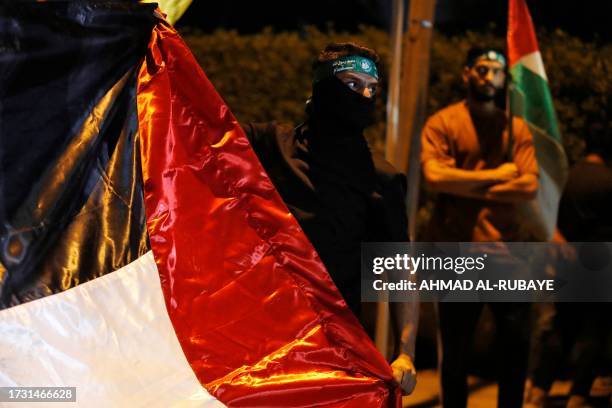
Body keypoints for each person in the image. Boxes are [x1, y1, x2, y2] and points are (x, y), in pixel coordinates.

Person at [243, 42, 417, 393]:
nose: (364, 95)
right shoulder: (270, 144)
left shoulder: (381, 178)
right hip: (261, 336)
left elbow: (400, 270)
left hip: (336, 343)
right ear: (322, 86)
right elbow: (194, 127)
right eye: (352, 85)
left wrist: (405, 353)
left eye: (371, 88)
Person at [420, 46, 539, 407]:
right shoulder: (443, 122)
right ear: (467, 73)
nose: (490, 78)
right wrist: (497, 176)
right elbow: (434, 177)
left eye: (497, 71)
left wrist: (465, 182)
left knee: (515, 347)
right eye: (482, 70)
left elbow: (529, 185)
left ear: (505, 78)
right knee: (455, 351)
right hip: (458, 251)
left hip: (508, 253)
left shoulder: (514, 128)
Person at [526, 121, 612, 408]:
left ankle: (539, 390)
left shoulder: (571, 176)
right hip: (599, 266)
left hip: (566, 262)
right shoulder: (608, 180)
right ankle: (578, 394)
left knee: (562, 328)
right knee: (594, 331)